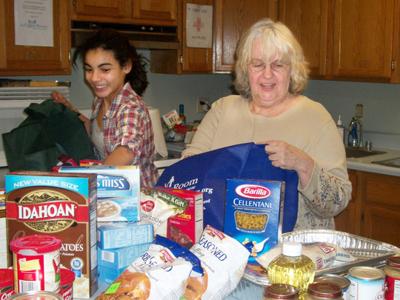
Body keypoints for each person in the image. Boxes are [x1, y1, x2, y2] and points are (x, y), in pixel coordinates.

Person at [182, 18, 352, 230]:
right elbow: (187, 173)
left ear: (293, 69)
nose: (268, 74)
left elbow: (338, 201)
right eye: (258, 64)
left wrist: (303, 164)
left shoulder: (316, 118)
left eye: (278, 64)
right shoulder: (222, 111)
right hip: (221, 251)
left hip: (295, 255)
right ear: (246, 69)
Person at [52, 29, 157, 187]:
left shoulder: (130, 107)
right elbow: (96, 132)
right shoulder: (100, 101)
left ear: (126, 66)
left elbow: (125, 151)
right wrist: (70, 110)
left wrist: (90, 182)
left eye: (105, 69)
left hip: (139, 198)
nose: (94, 78)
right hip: (111, 190)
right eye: (89, 69)